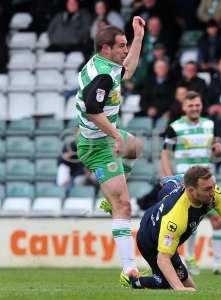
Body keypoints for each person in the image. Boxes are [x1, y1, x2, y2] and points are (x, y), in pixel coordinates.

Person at [75, 18, 145, 286]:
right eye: (121, 46)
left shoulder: (107, 65)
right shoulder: (102, 75)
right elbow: (93, 111)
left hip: (105, 136)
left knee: (136, 147)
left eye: (126, 45)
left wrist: (138, 38)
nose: (125, 51)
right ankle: (128, 270)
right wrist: (116, 135)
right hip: (96, 144)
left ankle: (109, 198)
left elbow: (128, 70)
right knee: (124, 204)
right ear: (106, 49)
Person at [130, 166, 221, 290]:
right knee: (166, 283)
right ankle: (134, 281)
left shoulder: (214, 194)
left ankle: (171, 182)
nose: (212, 192)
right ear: (191, 190)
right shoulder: (176, 216)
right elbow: (163, 258)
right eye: (207, 189)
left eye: (213, 186)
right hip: (149, 239)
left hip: (167, 227)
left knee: (191, 287)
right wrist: (179, 289)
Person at [161, 91, 221, 276]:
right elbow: (165, 154)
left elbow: (217, 152)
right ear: (184, 107)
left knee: (217, 220)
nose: (195, 108)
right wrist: (168, 179)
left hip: (207, 183)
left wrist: (218, 149)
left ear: (201, 105)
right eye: (191, 105)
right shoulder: (175, 127)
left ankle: (217, 264)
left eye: (197, 105)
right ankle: (190, 258)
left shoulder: (210, 125)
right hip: (186, 183)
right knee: (190, 223)